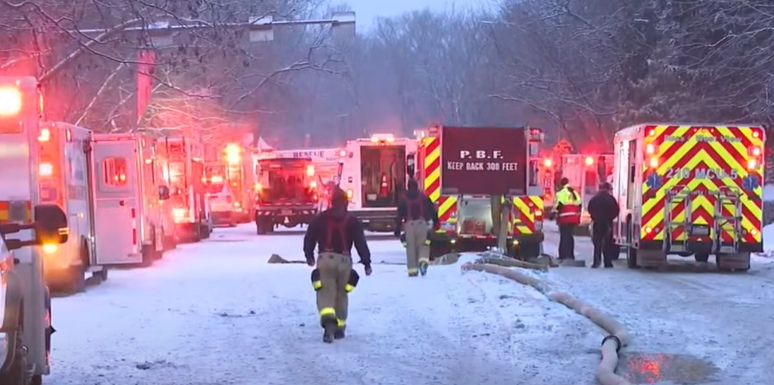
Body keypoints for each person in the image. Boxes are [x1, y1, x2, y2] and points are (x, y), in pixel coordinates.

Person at [303, 186, 372, 343]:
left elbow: (309, 238)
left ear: (331, 202)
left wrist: (309, 255)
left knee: (325, 292)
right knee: (342, 294)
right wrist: (366, 262)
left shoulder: (319, 218)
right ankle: (340, 328)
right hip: (344, 261)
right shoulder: (353, 221)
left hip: (325, 260)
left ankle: (328, 326)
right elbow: (361, 243)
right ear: (346, 203)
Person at [394, 178, 438, 277]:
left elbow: (399, 214)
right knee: (423, 245)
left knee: (410, 248)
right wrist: (435, 221)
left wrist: (397, 228)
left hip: (409, 225)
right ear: (417, 186)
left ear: (408, 186)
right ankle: (423, 262)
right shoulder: (423, 197)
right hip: (422, 224)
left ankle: (413, 271)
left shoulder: (403, 198)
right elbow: (432, 209)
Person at [587, 182, 620, 268]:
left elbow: (590, 208)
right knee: (607, 244)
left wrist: (594, 217)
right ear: (608, 189)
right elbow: (616, 210)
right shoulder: (611, 199)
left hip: (597, 223)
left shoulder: (595, 198)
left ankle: (596, 262)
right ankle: (607, 262)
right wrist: (610, 218)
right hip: (607, 223)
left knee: (597, 243)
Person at [554, 177, 581, 261]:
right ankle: (570, 255)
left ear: (561, 184)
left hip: (564, 218)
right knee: (570, 236)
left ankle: (563, 255)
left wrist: (554, 212)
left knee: (564, 237)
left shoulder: (561, 193)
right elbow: (579, 204)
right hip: (573, 218)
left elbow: (560, 205)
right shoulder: (574, 192)